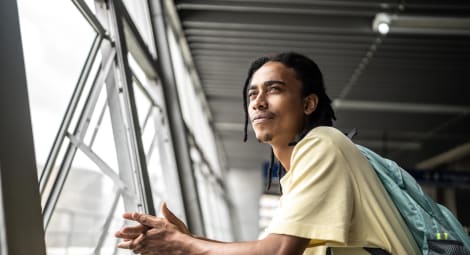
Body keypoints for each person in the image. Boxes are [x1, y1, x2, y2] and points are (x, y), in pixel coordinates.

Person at [115, 52, 420, 255]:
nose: (258, 102)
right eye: (252, 93)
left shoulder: (323, 144)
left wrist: (184, 244)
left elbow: (277, 250)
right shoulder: (300, 176)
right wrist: (188, 240)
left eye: (273, 89)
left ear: (309, 104)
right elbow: (268, 247)